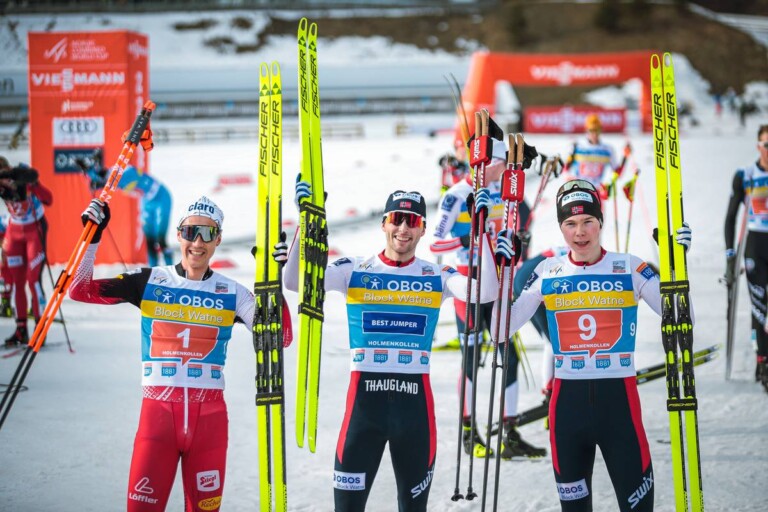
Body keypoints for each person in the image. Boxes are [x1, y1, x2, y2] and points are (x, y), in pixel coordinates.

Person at [282, 187, 498, 511]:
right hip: (363, 413)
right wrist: (305, 220)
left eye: (413, 221)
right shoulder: (354, 269)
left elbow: (485, 292)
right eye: (397, 219)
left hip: (414, 415)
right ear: (383, 223)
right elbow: (295, 282)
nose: (404, 228)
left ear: (423, 229)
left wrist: (482, 237)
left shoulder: (436, 275)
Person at [492, 179, 692, 511]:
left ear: (600, 221)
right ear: (561, 227)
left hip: (620, 408)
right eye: (570, 223)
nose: (580, 232)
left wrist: (675, 265)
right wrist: (502, 272)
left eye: (588, 221)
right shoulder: (548, 271)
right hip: (567, 412)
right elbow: (500, 331)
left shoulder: (631, 267)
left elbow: (683, 319)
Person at [68, 195, 264, 511]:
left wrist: (272, 279)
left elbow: (278, 337)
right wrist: (91, 238)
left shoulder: (234, 293)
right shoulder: (149, 280)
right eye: (190, 232)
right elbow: (79, 290)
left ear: (218, 239)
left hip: (209, 425)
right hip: (157, 421)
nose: (197, 242)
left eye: (207, 233)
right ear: (178, 235)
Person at [429, 138, 542, 459]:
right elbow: (435, 243)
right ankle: (469, 432)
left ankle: (509, 433)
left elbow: (507, 229)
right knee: (472, 357)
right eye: (503, 163)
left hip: (497, 278)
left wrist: (514, 244)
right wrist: (466, 239)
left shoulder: (499, 192)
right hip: (468, 281)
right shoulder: (456, 195)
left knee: (510, 357)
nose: (505, 168)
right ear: (490, 163)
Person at [724, 123, 768, 392]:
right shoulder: (746, 175)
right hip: (755, 246)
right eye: (766, 144)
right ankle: (763, 361)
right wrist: (730, 255)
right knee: (759, 306)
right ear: (758, 146)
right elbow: (731, 217)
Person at [80, 149, 174, 266]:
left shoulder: (124, 173)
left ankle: (171, 268)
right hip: (147, 201)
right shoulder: (115, 174)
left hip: (161, 198)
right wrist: (89, 172)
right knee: (150, 240)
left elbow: (105, 181)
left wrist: (92, 173)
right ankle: (153, 270)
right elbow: (103, 180)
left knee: (161, 239)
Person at [0, 156, 53, 347]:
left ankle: (40, 329)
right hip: (14, 232)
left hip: (34, 230)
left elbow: (49, 199)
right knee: (17, 282)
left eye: (6, 176)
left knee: (33, 280)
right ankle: (21, 330)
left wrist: (34, 183)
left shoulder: (21, 176)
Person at [563, 114, 629, 199]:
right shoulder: (577, 147)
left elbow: (617, 173)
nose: (594, 134)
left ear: (600, 131)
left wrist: (625, 156)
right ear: (586, 130)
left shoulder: (607, 150)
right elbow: (565, 168)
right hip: (578, 190)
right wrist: (569, 177)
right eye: (591, 130)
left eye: (597, 130)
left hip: (596, 191)